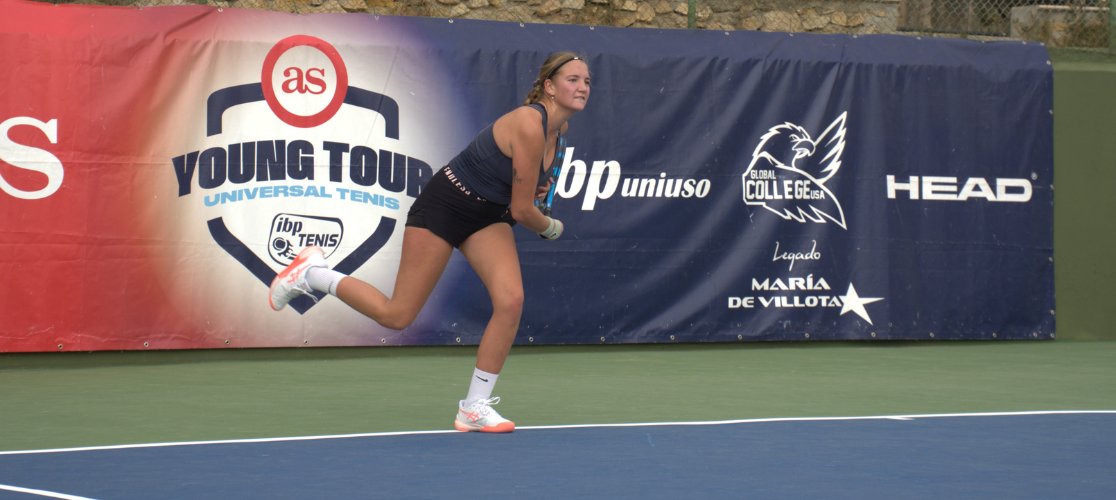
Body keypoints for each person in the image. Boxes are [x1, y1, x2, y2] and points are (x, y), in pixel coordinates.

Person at [268, 52, 591, 433]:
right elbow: (523, 212)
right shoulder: (529, 123)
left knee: (510, 301)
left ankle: (474, 408)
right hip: (446, 206)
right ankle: (312, 274)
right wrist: (551, 227)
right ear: (549, 86)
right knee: (396, 316)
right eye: (573, 79)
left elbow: (518, 190)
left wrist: (531, 192)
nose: (582, 87)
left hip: (488, 216)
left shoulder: (559, 132)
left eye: (586, 81)